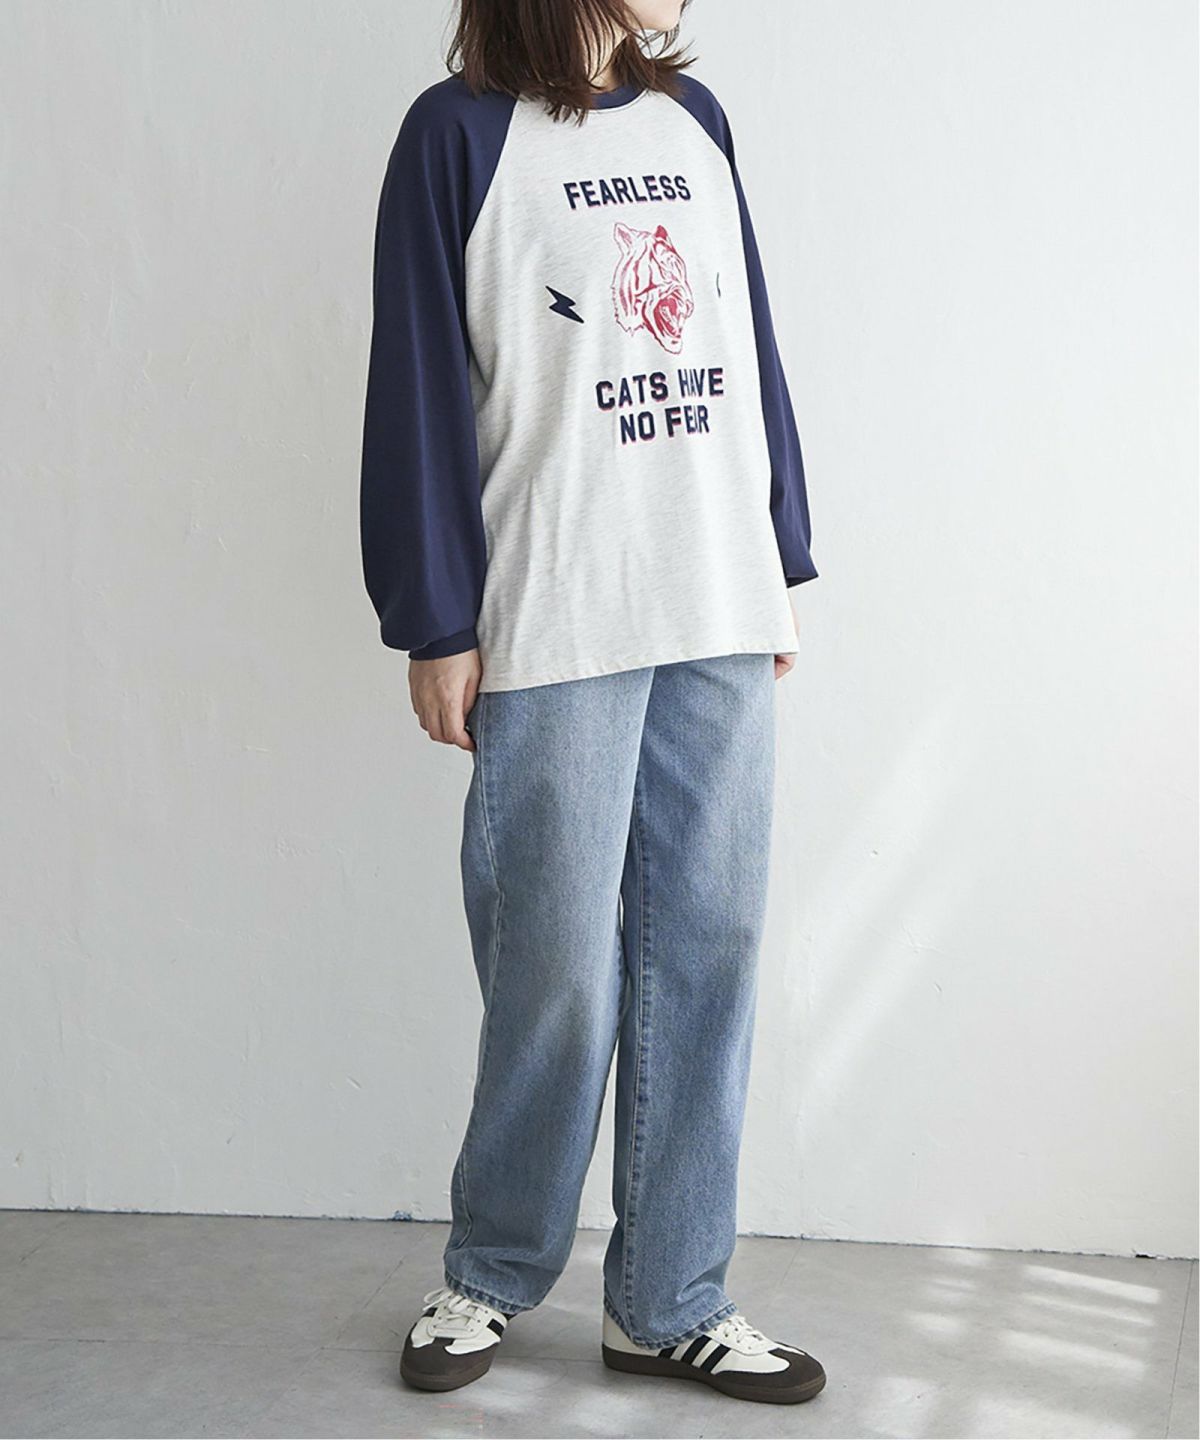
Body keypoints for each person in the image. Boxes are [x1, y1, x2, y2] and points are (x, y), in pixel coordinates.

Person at [359, 0, 826, 1407]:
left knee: (708, 954)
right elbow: (417, 384)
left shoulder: (695, 122)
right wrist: (435, 618)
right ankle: (493, 1270)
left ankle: (669, 1299)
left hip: (712, 600)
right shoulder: (455, 138)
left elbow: (748, 341)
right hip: (556, 610)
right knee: (554, 967)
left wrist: (777, 553)